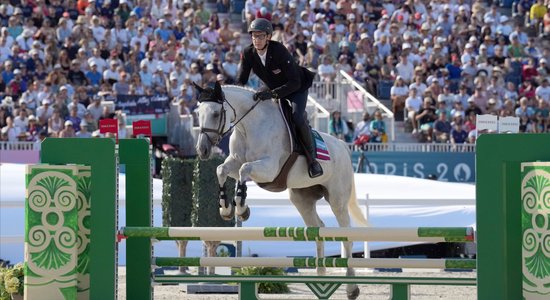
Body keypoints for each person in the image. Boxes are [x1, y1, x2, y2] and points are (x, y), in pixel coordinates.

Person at [236, 18, 321, 178]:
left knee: (297, 117)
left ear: (268, 37)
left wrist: (273, 94)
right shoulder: (248, 53)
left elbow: (294, 82)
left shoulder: (279, 51)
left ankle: (312, 159)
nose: (256, 40)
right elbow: (241, 80)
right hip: (273, 86)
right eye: (254, 36)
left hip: (297, 87)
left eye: (260, 36)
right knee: (255, 103)